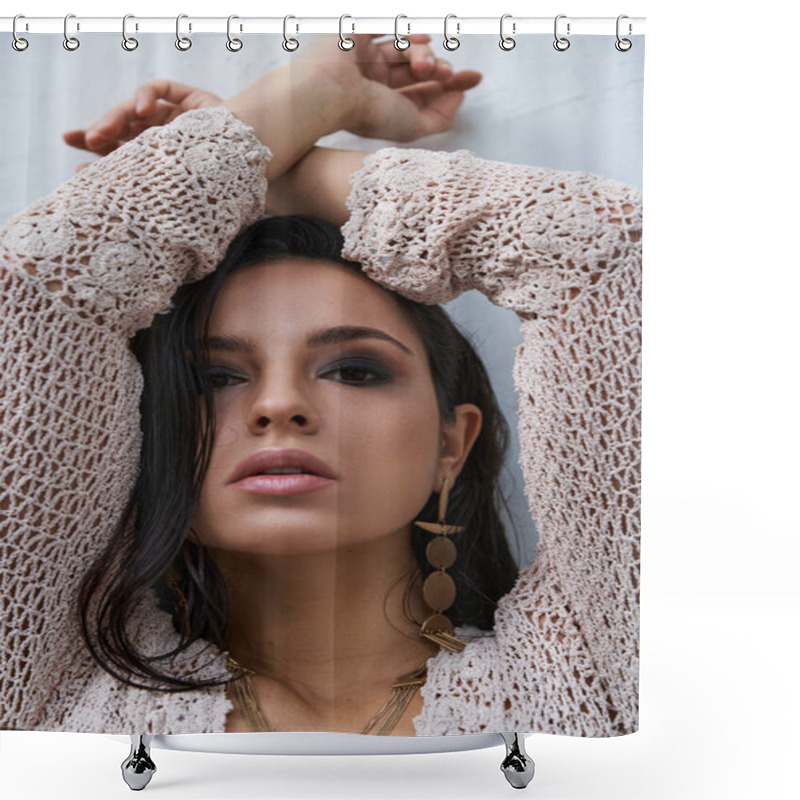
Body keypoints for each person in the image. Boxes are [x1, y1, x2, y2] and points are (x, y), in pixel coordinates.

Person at [0, 33, 642, 738]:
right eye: (215, 377)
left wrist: (281, 173)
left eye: (354, 370)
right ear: (140, 439)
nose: (279, 407)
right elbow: (33, 296)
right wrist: (317, 88)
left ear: (451, 445)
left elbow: (620, 261)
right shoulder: (46, 685)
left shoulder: (592, 671)